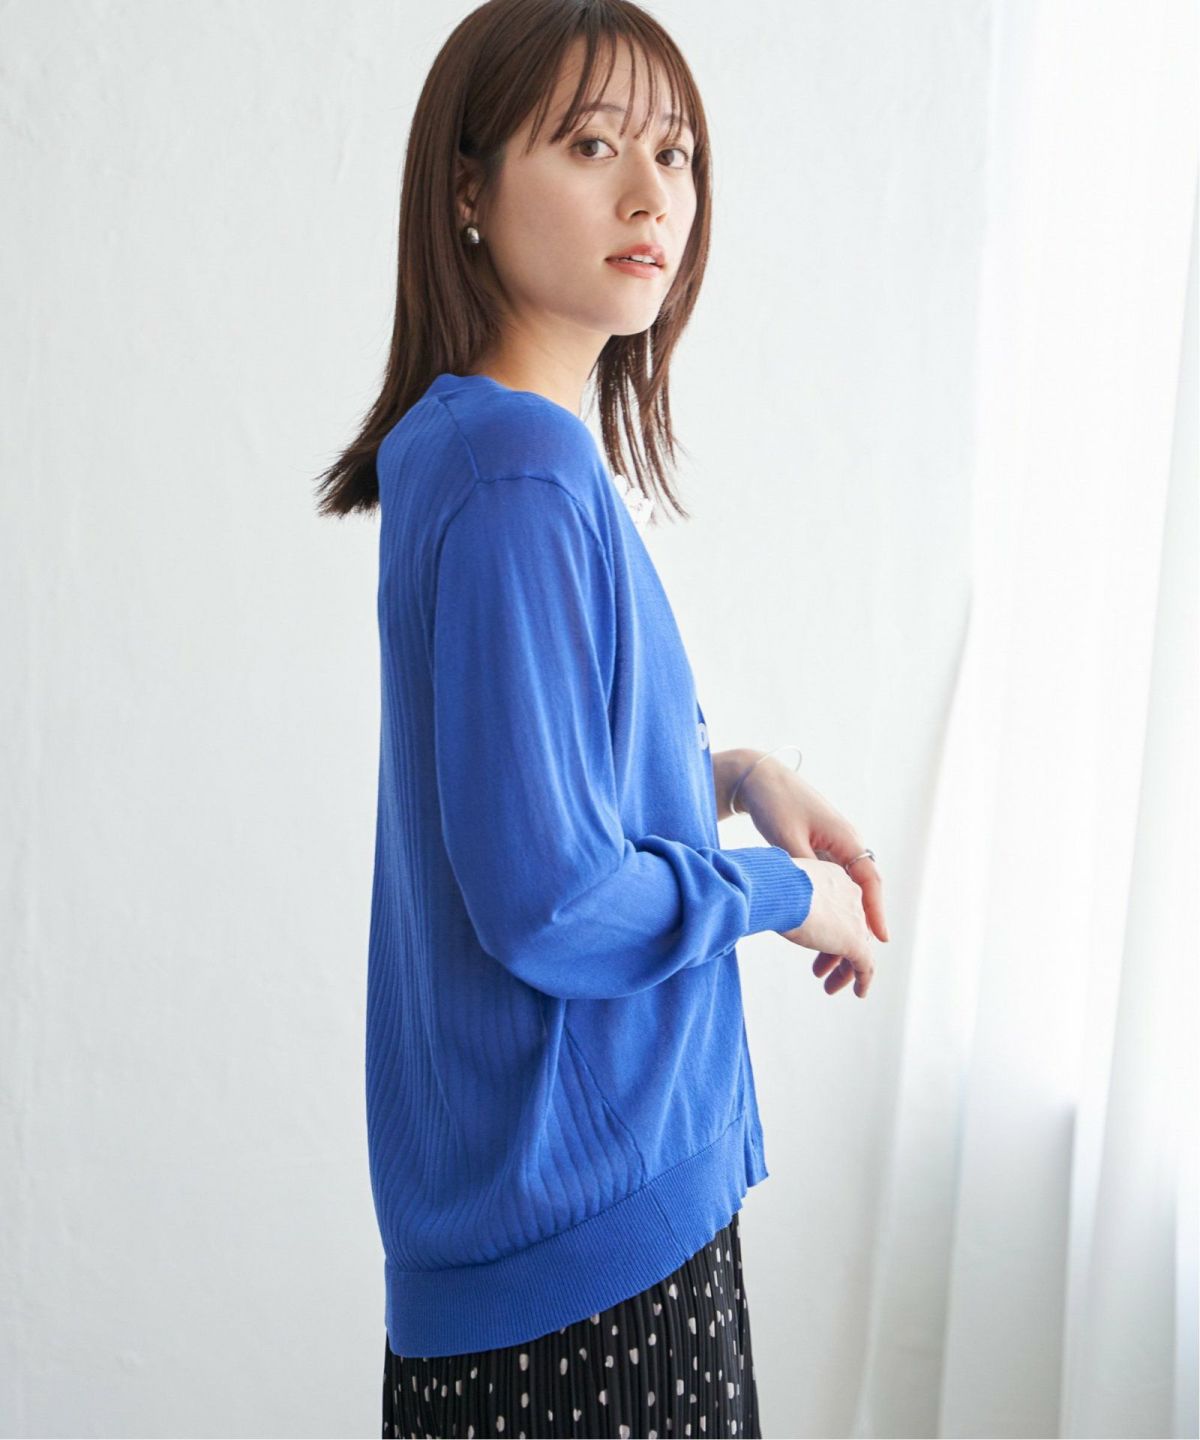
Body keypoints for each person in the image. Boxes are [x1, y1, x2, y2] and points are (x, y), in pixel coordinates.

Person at [314, 2, 887, 1434]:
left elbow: (532, 788)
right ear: (467, 187)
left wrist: (733, 776)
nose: (652, 195)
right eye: (590, 146)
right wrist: (783, 895)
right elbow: (554, 900)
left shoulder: (471, 445)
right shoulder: (518, 471)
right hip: (584, 1248)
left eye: (674, 153)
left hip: (551, 1234)